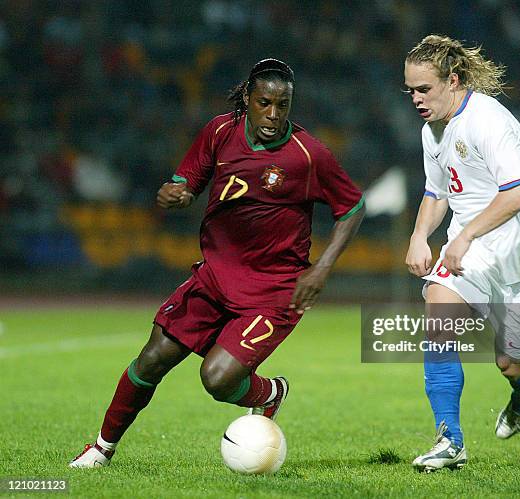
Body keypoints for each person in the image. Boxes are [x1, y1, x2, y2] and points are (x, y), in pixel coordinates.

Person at [69, 58, 365, 468]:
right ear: (248, 98)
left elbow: (352, 207)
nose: (274, 115)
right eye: (265, 103)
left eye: (283, 105)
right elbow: (187, 179)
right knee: (152, 358)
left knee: (218, 378)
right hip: (214, 277)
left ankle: (269, 393)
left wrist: (322, 267)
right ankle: (102, 449)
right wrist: (176, 192)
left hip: (274, 291)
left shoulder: (307, 155)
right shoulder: (220, 130)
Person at [403, 35, 520, 472]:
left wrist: (465, 236)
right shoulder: (431, 130)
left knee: (510, 362)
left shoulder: (488, 121)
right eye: (411, 91)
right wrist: (420, 235)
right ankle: (449, 439)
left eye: (424, 89)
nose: (416, 99)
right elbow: (437, 192)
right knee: (438, 319)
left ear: (453, 80)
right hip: (470, 248)